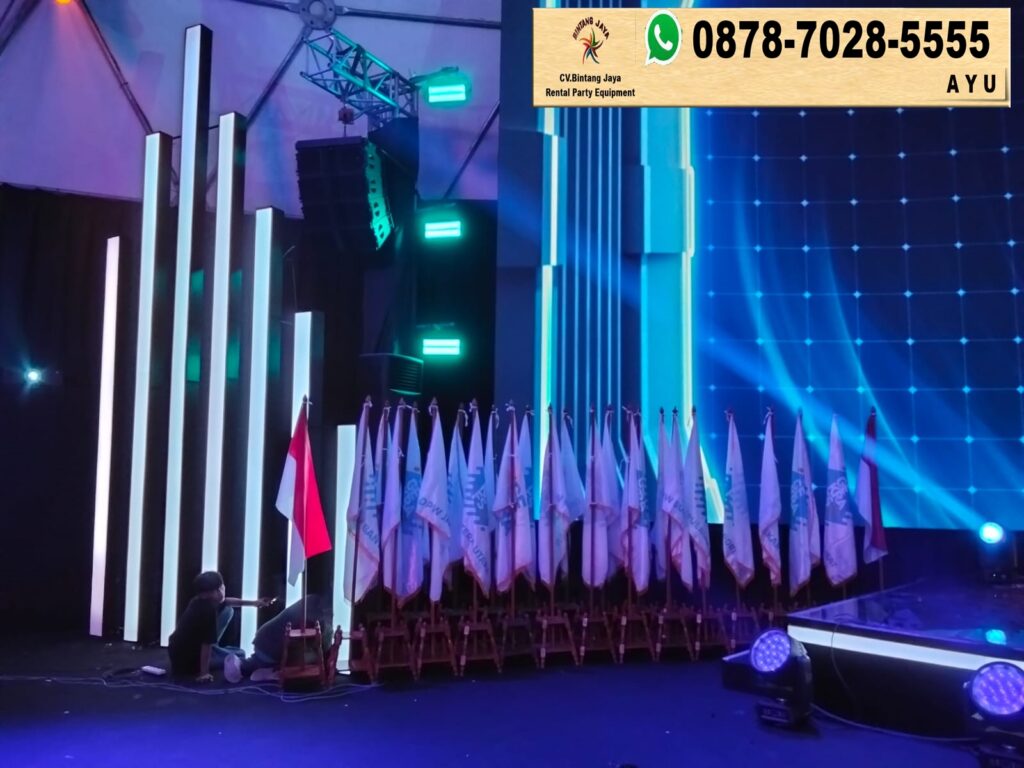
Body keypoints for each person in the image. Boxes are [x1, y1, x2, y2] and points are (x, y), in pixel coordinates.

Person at [167, 571, 274, 683]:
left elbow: (226, 601)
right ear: (217, 590)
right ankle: (210, 660)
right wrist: (204, 673)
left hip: (179, 653)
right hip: (189, 662)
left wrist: (253, 603)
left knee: (228, 610)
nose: (223, 589)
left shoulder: (200, 601)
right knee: (240, 654)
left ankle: (216, 652)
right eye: (221, 587)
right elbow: (206, 644)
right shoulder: (207, 612)